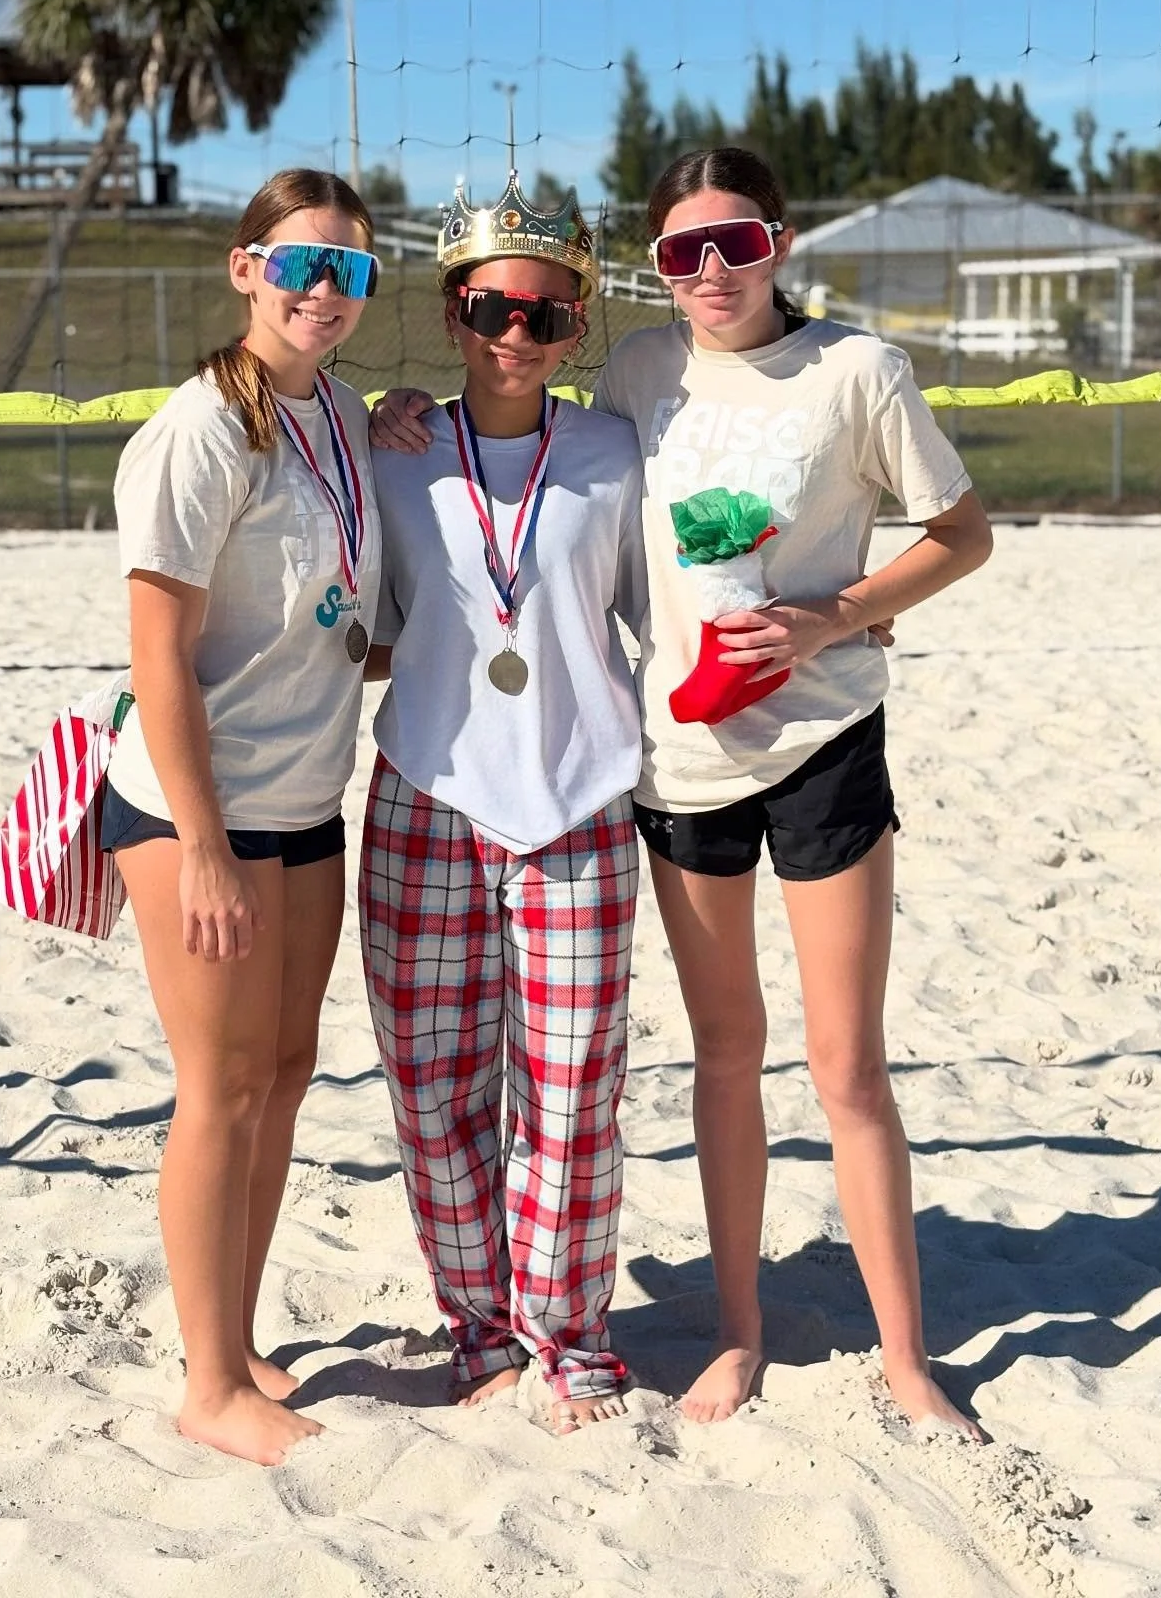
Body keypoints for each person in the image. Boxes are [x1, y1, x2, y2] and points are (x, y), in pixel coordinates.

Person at [370, 145, 994, 1440]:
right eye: (683, 252)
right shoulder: (641, 377)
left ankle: (906, 1357)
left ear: (781, 242)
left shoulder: (859, 371)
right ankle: (740, 1336)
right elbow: (530, 456)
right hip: (680, 760)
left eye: (739, 244)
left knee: (846, 1066)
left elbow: (964, 533)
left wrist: (843, 614)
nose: (713, 271)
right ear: (655, 271)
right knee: (723, 1056)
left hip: (825, 747)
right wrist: (399, 412)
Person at [102, 167, 381, 1465]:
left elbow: (339, 621)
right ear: (244, 269)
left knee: (282, 1073)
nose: (324, 290)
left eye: (351, 271)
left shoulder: (341, 416)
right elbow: (159, 655)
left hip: (307, 796)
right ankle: (208, 1383)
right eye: (301, 264)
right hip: (190, 811)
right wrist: (201, 845)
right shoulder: (201, 429)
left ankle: (239, 1336)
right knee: (216, 1087)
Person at [361, 173, 648, 1434]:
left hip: (580, 803)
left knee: (576, 1089)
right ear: (453, 310)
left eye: (544, 315)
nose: (514, 336)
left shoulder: (617, 452)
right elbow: (348, 616)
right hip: (427, 791)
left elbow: (674, 606)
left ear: (578, 323)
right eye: (488, 309)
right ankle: (479, 1320)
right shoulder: (394, 449)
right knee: (434, 1092)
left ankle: (568, 1331)